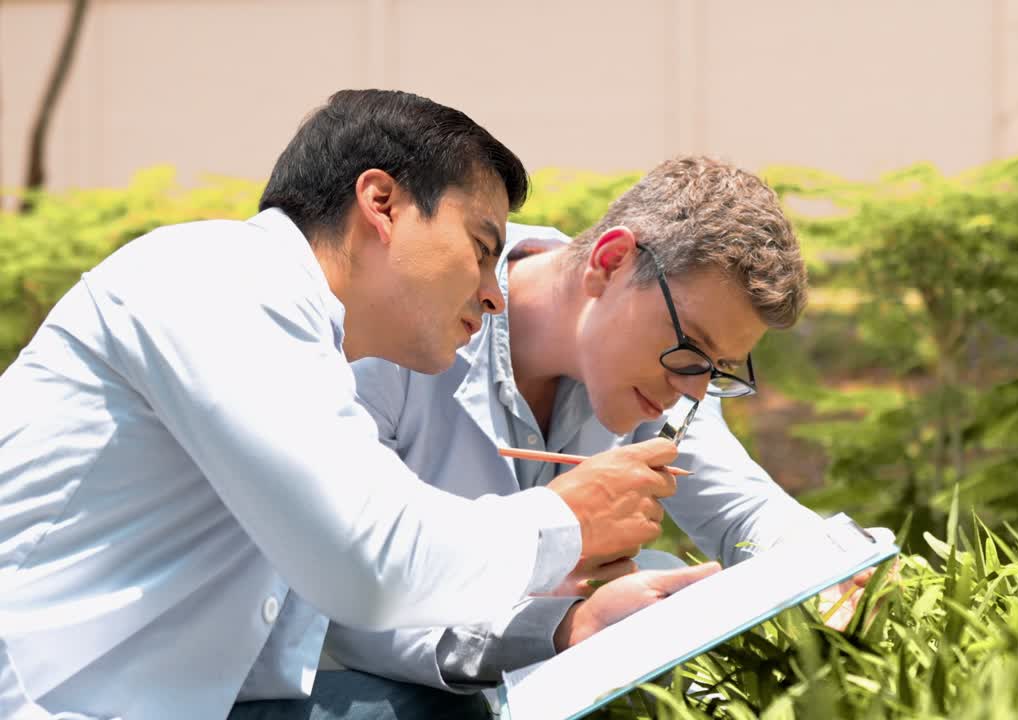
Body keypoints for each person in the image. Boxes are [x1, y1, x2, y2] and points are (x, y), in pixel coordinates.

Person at [0, 90, 703, 720]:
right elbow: (373, 567)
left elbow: (381, 573)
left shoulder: (311, 345)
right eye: (482, 248)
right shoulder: (219, 282)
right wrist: (568, 519)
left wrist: (562, 624)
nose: (494, 296)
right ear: (382, 203)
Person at [322, 156, 873, 702]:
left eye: (718, 367)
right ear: (610, 263)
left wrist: (829, 568)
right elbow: (348, 601)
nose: (695, 391)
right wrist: (564, 626)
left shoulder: (666, 370)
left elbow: (743, 513)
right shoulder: (390, 329)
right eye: (693, 349)